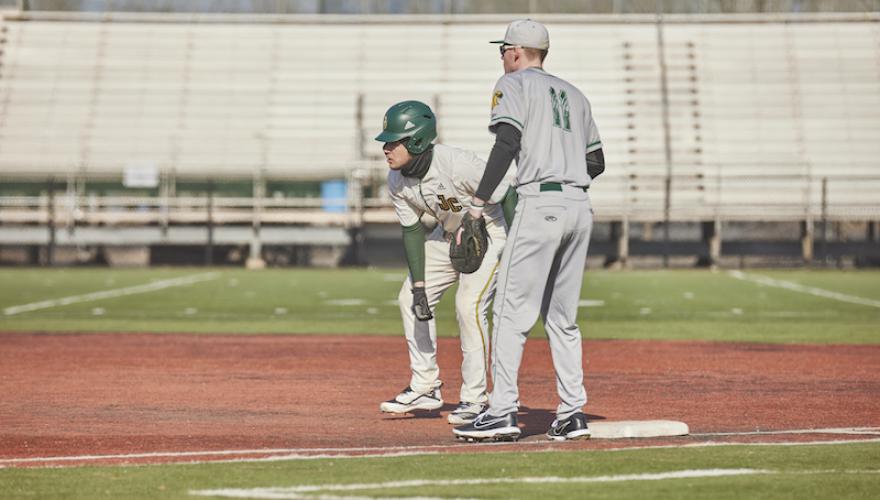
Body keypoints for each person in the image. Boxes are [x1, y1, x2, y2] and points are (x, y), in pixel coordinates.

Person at [452, 20, 605, 442]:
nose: (501, 56)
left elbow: (506, 143)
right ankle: (572, 413)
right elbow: (597, 162)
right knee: (562, 318)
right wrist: (563, 163)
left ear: (516, 51)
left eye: (502, 49)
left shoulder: (513, 84)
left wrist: (479, 203)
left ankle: (501, 411)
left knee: (508, 312)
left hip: (541, 203)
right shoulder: (576, 95)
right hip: (579, 204)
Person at [376, 100, 517, 425]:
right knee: (409, 297)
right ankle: (425, 386)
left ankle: (475, 398)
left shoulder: (455, 163)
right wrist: (421, 286)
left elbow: (507, 193)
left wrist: (516, 251)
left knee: (469, 306)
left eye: (393, 140)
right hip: (449, 232)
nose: (386, 147)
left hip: (492, 229)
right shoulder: (397, 179)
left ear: (416, 141)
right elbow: (412, 231)